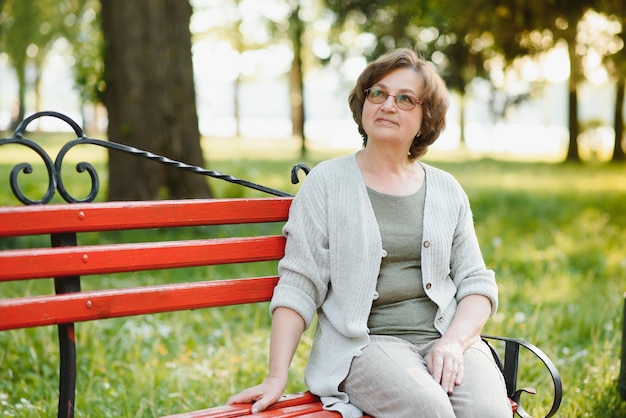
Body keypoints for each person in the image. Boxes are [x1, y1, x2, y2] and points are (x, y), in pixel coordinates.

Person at [227, 48, 511, 417]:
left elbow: (476, 283)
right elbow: (299, 284)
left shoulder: (446, 189)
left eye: (405, 99)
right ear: (363, 103)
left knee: (491, 413)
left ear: (427, 119)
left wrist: (454, 344)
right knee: (430, 410)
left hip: (444, 338)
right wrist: (275, 376)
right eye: (378, 93)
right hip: (364, 347)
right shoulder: (327, 183)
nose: (388, 105)